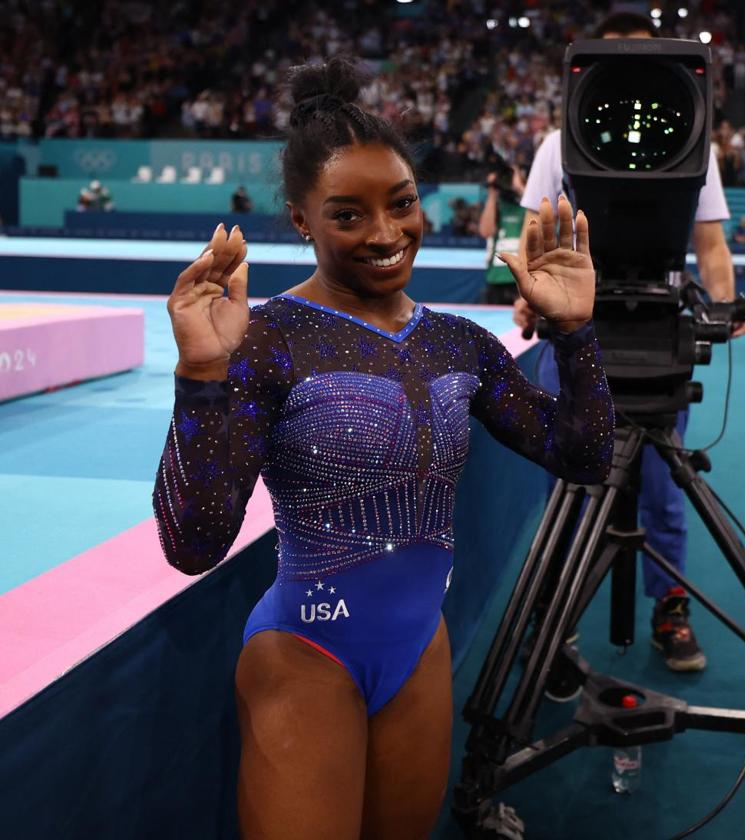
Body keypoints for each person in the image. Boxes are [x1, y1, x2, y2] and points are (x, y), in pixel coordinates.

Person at [151, 57, 614, 839]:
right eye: (349, 214)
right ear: (302, 220)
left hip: (416, 652)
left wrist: (574, 333)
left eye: (401, 204)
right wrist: (201, 376)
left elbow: (585, 458)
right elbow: (193, 546)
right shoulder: (264, 342)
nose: (387, 233)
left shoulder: (459, 343)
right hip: (305, 649)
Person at [513, 10, 745, 672]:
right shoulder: (556, 145)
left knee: (662, 483)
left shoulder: (693, 144)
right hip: (573, 327)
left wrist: (725, 305)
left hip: (657, 323)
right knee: (568, 472)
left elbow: (711, 245)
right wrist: (531, 294)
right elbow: (537, 229)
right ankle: (550, 619)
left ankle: (669, 606)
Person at [478, 161, 526, 305]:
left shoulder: (528, 207)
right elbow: (486, 231)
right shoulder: (496, 207)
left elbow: (542, 222)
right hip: (496, 278)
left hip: (521, 278)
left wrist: (520, 188)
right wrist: (492, 195)